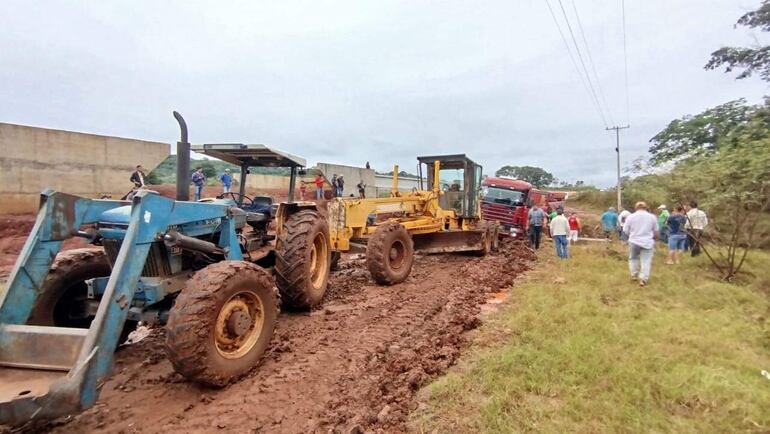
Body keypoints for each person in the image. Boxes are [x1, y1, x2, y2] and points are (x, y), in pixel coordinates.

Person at [623, 202, 659, 287]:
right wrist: (655, 238)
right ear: (646, 208)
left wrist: (631, 235)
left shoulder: (631, 217)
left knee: (633, 258)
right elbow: (656, 230)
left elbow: (625, 230)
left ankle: (634, 274)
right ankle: (643, 279)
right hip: (647, 242)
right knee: (646, 260)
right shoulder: (652, 217)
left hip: (634, 241)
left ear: (636, 208)